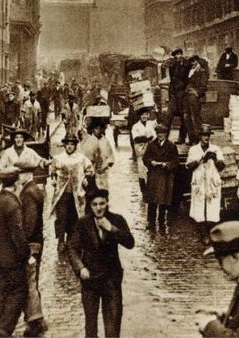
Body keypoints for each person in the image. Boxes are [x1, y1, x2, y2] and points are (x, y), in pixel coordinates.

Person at [68, 188, 135, 338]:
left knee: (112, 326)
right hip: (90, 280)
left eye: (102, 204)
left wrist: (111, 229)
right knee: (90, 326)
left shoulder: (117, 220)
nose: (98, 208)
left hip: (112, 278)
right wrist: (81, 268)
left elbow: (130, 243)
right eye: (95, 204)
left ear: (107, 203)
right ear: (90, 206)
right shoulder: (83, 223)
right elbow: (72, 247)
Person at [0, 168, 31, 337]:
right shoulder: (13, 204)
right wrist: (26, 255)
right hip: (13, 259)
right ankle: (3, 329)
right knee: (19, 291)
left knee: (0, 293)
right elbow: (18, 235)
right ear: (16, 182)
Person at [50, 133, 94, 253]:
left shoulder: (81, 158)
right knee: (61, 216)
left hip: (76, 192)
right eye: (67, 144)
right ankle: (60, 241)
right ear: (64, 145)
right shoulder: (58, 158)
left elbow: (90, 170)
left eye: (72, 144)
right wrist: (53, 179)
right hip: (62, 192)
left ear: (75, 146)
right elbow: (52, 170)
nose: (69, 146)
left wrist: (86, 178)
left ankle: (72, 240)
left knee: (74, 216)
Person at [186, 124, 225, 243]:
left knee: (212, 207)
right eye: (204, 135)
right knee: (199, 208)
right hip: (199, 182)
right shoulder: (193, 150)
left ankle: (211, 232)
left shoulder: (216, 149)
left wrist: (215, 159)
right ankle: (203, 234)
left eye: (208, 135)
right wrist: (201, 159)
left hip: (212, 183)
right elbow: (188, 166)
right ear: (200, 136)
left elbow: (222, 166)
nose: (206, 138)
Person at [20, 172, 47, 337]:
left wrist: (23, 243)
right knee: (32, 281)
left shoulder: (28, 193)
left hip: (31, 244)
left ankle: (36, 321)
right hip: (36, 241)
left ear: (27, 174)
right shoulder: (34, 189)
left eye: (21, 173)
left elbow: (29, 224)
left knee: (30, 281)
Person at [142, 124, 179, 230]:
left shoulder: (171, 146)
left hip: (165, 175)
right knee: (152, 200)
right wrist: (151, 162)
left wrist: (167, 165)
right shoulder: (152, 145)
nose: (160, 135)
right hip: (153, 174)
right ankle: (151, 222)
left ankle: (161, 221)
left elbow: (175, 161)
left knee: (163, 200)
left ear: (166, 134)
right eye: (158, 133)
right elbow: (145, 158)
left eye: (162, 133)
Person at [80, 118, 115, 191]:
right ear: (92, 129)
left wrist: (105, 165)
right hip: (91, 173)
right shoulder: (88, 141)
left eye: (100, 128)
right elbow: (84, 158)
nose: (98, 130)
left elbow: (110, 157)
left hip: (103, 173)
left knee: (102, 192)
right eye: (96, 128)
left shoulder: (105, 142)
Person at [131, 107, 157, 197]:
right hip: (141, 151)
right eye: (142, 115)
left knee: (150, 170)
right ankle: (143, 192)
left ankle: (151, 190)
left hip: (150, 151)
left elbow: (154, 136)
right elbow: (136, 138)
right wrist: (146, 138)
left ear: (148, 115)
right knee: (141, 171)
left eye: (146, 114)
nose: (144, 116)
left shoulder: (150, 125)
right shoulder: (135, 126)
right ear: (140, 116)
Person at [183, 55, 209, 145]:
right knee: (188, 118)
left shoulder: (202, 72)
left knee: (196, 119)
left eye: (194, 61)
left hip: (195, 98)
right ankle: (191, 139)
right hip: (187, 97)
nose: (192, 63)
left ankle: (198, 139)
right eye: (191, 62)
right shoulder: (190, 71)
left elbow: (204, 87)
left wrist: (195, 92)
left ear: (198, 61)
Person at [166, 48, 190, 141]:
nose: (177, 56)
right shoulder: (173, 65)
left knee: (183, 117)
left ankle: (182, 137)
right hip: (174, 93)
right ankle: (165, 137)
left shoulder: (186, 64)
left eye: (179, 54)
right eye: (176, 55)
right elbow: (172, 79)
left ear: (181, 54)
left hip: (182, 93)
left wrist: (183, 88)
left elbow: (186, 78)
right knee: (169, 115)